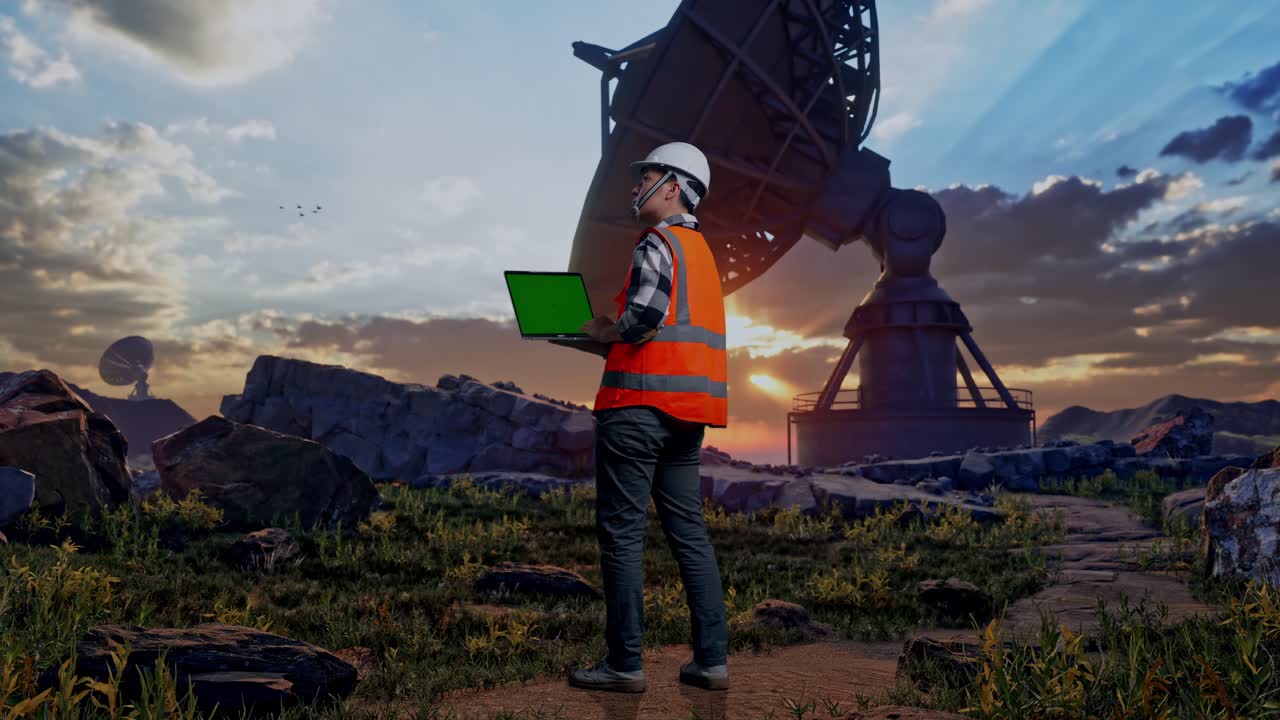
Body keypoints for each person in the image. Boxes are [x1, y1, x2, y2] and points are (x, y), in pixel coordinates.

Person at [566, 142, 730, 693]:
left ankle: (624, 665)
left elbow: (641, 321)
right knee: (689, 534)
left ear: (674, 186)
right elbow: (676, 330)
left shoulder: (657, 243)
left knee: (622, 535)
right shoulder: (702, 254)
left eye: (647, 176)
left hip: (637, 410)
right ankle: (711, 662)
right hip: (687, 416)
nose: (635, 186)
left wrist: (598, 329)